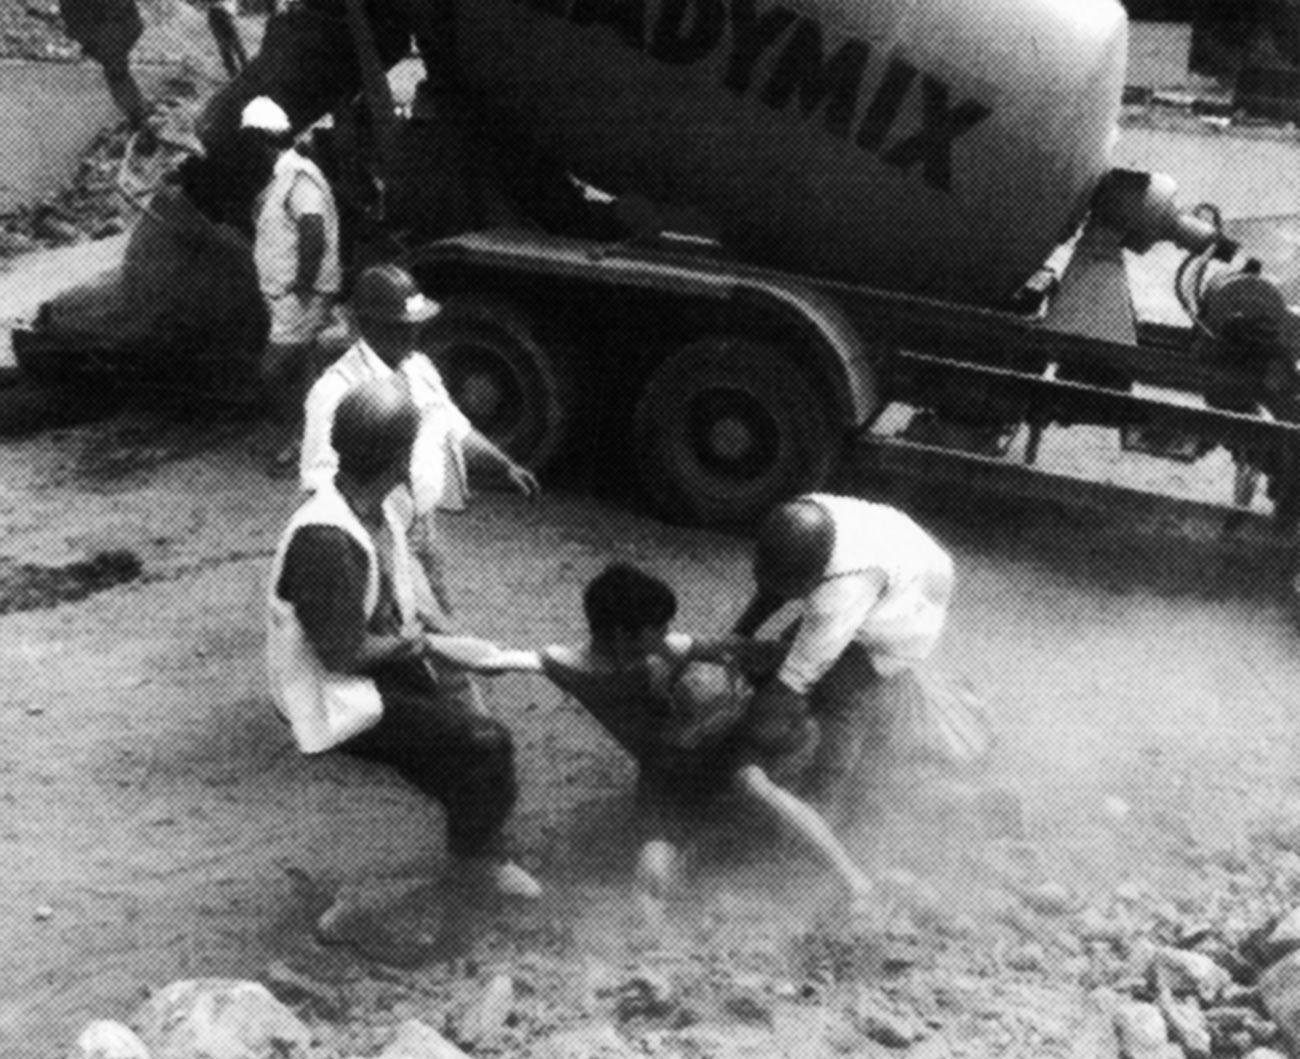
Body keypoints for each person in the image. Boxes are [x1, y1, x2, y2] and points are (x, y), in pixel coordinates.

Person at [432, 563, 876, 911]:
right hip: (683, 766)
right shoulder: (623, 657)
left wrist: (424, 643)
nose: (665, 635)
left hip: (678, 766)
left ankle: (852, 879)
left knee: (690, 829)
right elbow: (735, 650)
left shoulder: (566, 663)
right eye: (657, 628)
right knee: (731, 805)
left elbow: (492, 658)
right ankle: (853, 880)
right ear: (625, 633)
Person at [267, 375, 542, 928]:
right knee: (485, 744)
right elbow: (342, 654)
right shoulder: (326, 538)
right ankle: (468, 866)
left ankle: (474, 837)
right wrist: (423, 646)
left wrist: (457, 643)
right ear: (398, 455)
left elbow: (399, 591)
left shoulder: (376, 507)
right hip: (331, 690)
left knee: (467, 732)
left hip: (374, 660)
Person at [300, 262, 539, 620]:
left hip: (420, 520)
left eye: (414, 328)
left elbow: (452, 427)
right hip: (373, 528)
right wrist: (362, 546)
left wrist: (504, 465)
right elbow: (318, 480)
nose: (410, 338)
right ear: (365, 326)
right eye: (398, 330)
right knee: (404, 627)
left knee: (435, 611)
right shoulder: (335, 391)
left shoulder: (420, 368)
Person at [732, 494, 957, 808]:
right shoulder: (795, 519)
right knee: (787, 655)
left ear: (815, 576)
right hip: (900, 555)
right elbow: (772, 587)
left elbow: (796, 677)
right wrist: (738, 637)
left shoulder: (844, 590)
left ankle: (824, 795)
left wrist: (748, 736)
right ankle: (793, 733)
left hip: (916, 599)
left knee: (843, 691)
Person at [242, 95, 343, 472]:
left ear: (260, 140)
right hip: (289, 295)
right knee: (304, 372)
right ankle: (316, 441)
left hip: (301, 296)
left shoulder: (298, 177)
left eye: (249, 142)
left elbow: (312, 229)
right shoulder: (286, 176)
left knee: (273, 370)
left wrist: (302, 282)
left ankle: (299, 441)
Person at [59, 0, 148, 131]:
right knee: (117, 74)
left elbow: (72, 22)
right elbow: (72, 21)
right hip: (106, 31)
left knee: (116, 74)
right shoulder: (127, 34)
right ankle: (136, 117)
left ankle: (136, 117)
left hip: (107, 31)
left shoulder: (124, 36)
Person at [207, 0, 249, 78]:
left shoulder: (217, 11)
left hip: (222, 17)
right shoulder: (217, 10)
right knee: (233, 49)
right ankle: (237, 72)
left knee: (232, 49)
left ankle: (237, 72)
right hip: (221, 16)